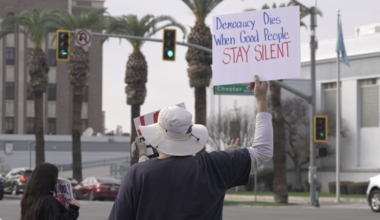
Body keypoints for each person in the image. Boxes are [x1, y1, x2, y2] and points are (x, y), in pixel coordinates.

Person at [109, 75, 273, 220]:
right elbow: (263, 151)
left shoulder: (138, 174)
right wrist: (261, 100)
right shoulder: (214, 166)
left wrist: (143, 159)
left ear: (156, 137)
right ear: (191, 135)